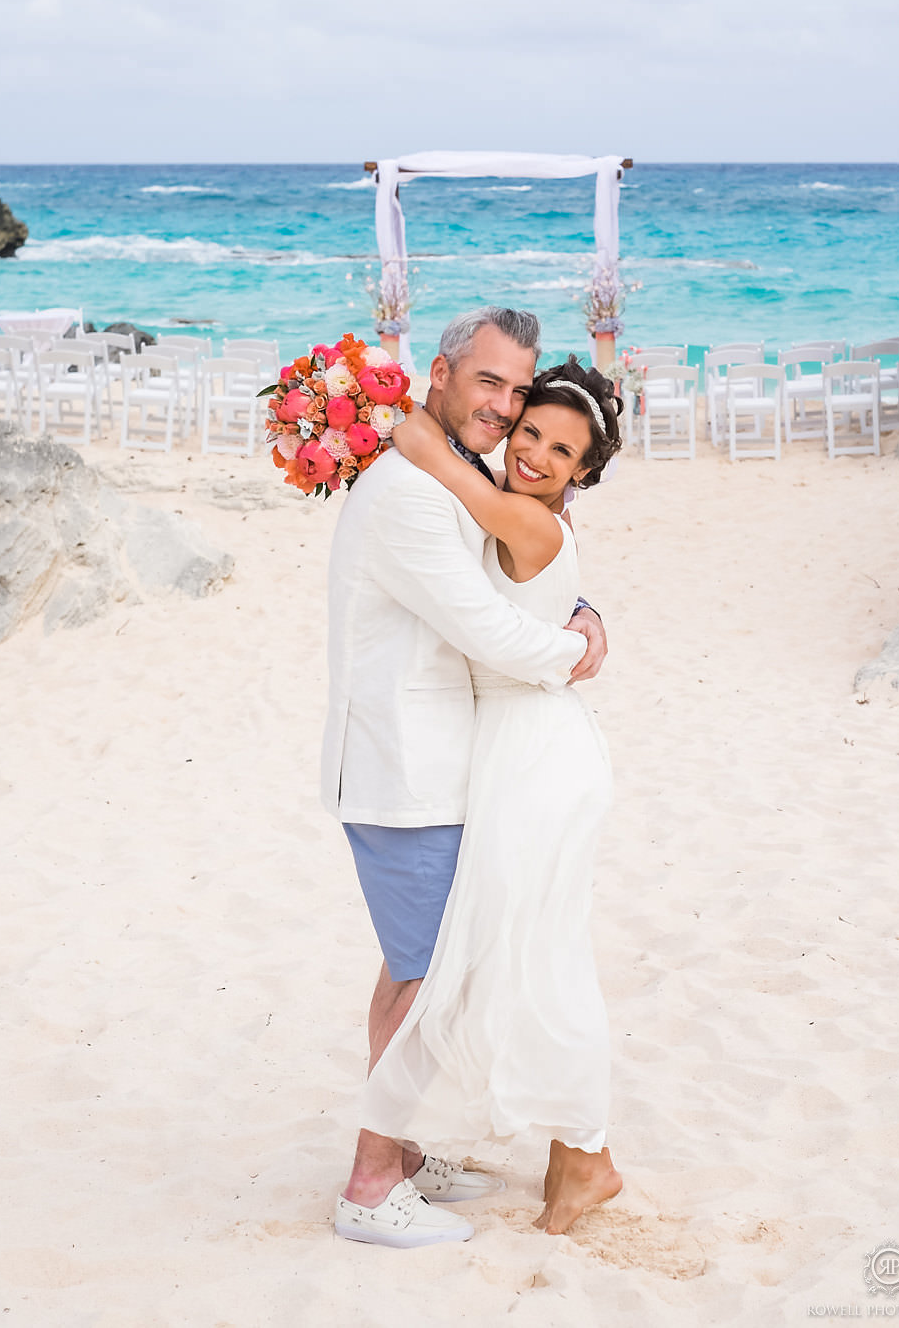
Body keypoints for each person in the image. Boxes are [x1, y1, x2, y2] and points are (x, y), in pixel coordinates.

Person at [321, 308, 609, 1249]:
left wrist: (583, 604)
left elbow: (523, 552)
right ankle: (370, 1185)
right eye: (490, 384)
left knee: (410, 968)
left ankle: (396, 1153)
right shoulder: (409, 490)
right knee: (425, 979)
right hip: (409, 766)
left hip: (449, 766)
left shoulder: (453, 472)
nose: (505, 406)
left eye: (518, 390)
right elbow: (482, 627)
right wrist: (571, 648)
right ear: (440, 374)